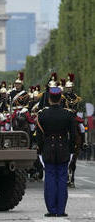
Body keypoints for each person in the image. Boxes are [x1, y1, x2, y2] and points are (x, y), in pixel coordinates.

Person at [36, 87, 75, 217]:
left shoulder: (42, 114)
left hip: (48, 149)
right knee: (62, 179)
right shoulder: (68, 114)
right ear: (60, 98)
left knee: (50, 179)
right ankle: (61, 210)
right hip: (63, 148)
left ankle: (52, 210)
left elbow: (39, 137)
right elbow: (73, 136)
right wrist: (71, 150)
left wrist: (40, 150)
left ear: (49, 98)